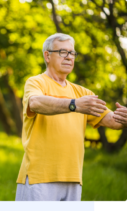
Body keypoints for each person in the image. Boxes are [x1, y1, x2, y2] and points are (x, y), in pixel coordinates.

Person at [15, 33, 127, 201]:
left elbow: (111, 120)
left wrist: (123, 118)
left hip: (73, 178)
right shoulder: (36, 82)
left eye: (72, 53)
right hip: (39, 176)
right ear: (47, 56)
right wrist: (73, 105)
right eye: (62, 52)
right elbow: (35, 103)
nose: (69, 57)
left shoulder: (82, 92)